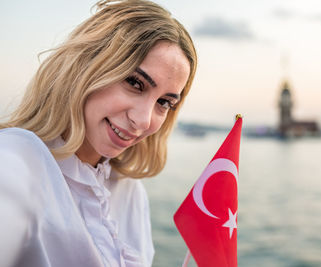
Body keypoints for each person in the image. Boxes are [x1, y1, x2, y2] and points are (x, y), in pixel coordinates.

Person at [0, 0, 197, 266]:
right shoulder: (16, 160)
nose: (142, 120)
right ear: (86, 66)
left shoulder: (130, 191)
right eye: (134, 83)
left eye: (164, 102)